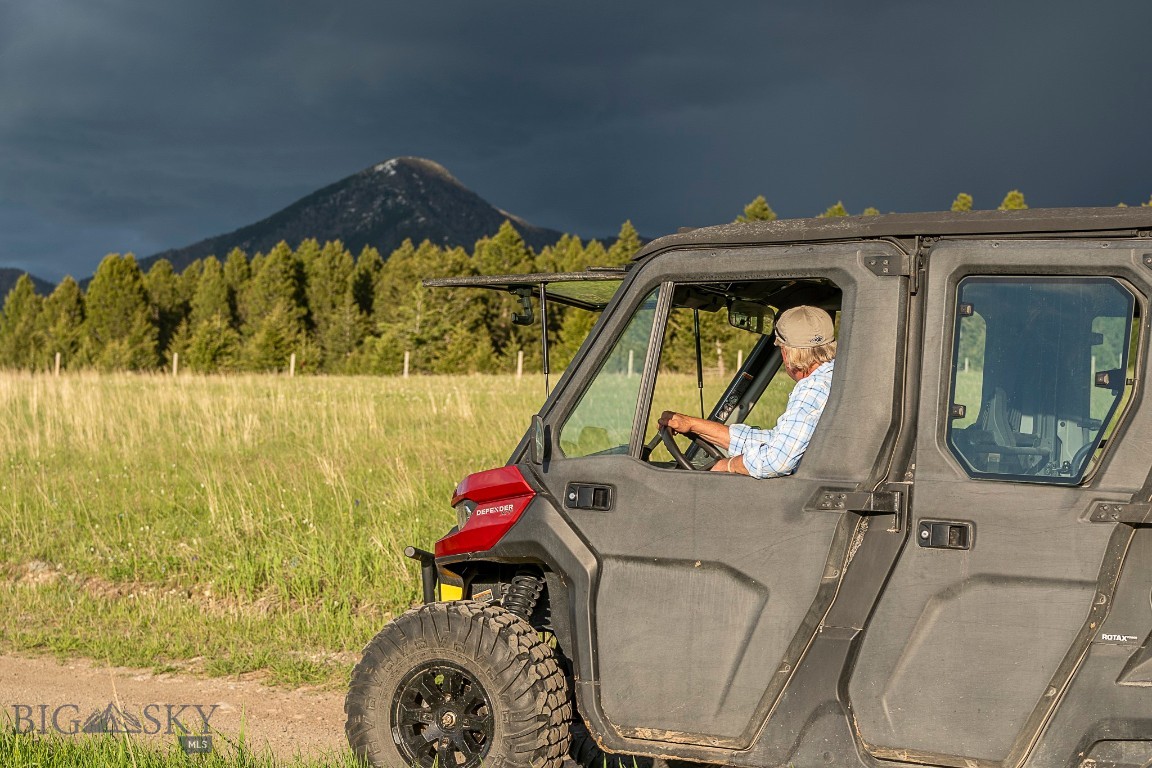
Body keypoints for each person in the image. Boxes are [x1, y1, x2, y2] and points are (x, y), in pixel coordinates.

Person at [658, 305, 836, 478]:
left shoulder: (812, 388)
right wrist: (692, 425)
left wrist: (729, 465)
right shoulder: (833, 380)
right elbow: (779, 442)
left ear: (787, 353)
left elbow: (777, 460)